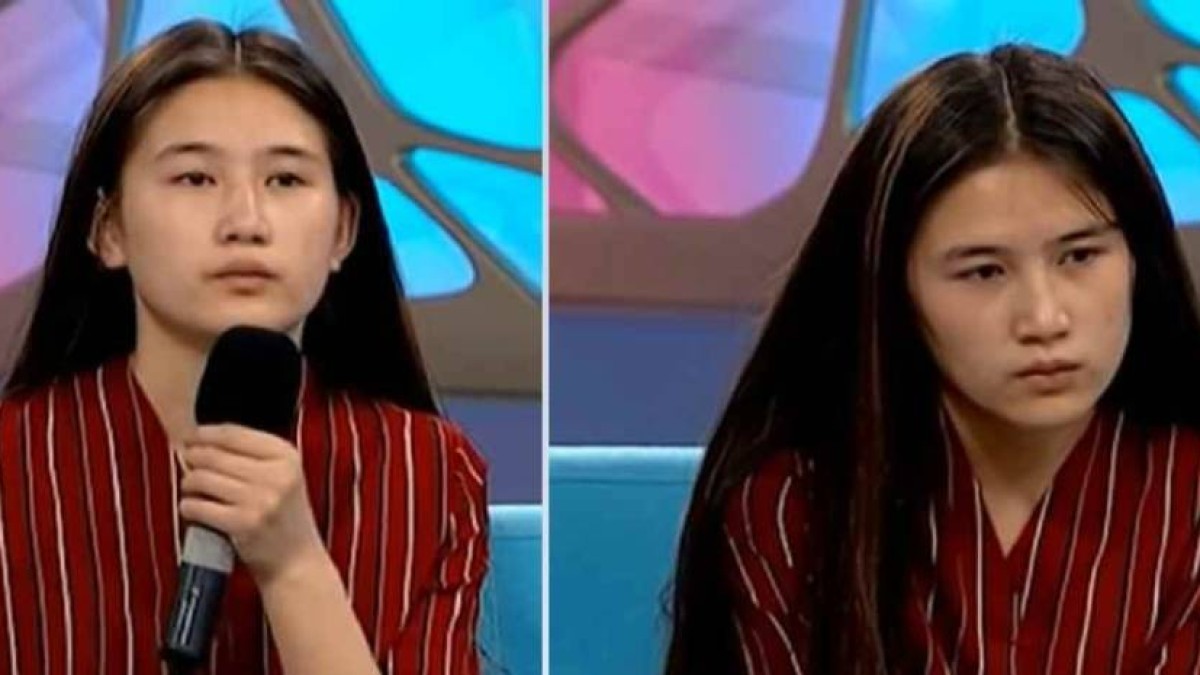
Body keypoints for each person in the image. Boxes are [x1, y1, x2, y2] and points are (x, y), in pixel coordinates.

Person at [665, 44, 1200, 674]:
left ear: (1137, 258)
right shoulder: (797, 507)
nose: (1044, 319)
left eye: (1080, 257)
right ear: (894, 289)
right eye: (984, 271)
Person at [0, 20, 488, 675]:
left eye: (284, 180)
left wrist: (294, 565)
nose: (246, 223)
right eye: (195, 178)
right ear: (108, 229)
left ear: (343, 230)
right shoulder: (13, 459)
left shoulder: (425, 471)